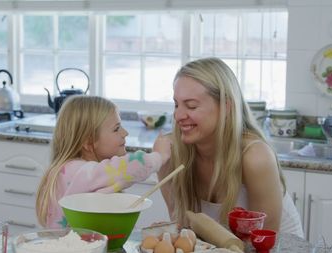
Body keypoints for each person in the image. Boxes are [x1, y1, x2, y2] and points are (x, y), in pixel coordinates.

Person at [158, 57, 304, 237]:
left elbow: (263, 241)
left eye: (191, 106)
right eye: (176, 104)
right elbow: (182, 231)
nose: (178, 115)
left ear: (226, 107)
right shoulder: (170, 152)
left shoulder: (255, 156)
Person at [36, 95, 172, 228]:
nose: (125, 133)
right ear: (89, 141)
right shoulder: (79, 171)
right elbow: (133, 166)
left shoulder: (68, 171)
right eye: (116, 128)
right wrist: (159, 156)